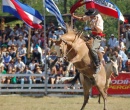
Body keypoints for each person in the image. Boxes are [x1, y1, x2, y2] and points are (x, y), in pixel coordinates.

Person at [72, 8, 104, 73]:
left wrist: (92, 27)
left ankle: (97, 64)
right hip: (92, 35)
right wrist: (74, 16)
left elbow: (99, 30)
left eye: (90, 15)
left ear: (93, 15)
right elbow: (82, 19)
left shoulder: (99, 19)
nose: (89, 17)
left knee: (93, 49)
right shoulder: (90, 16)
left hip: (98, 36)